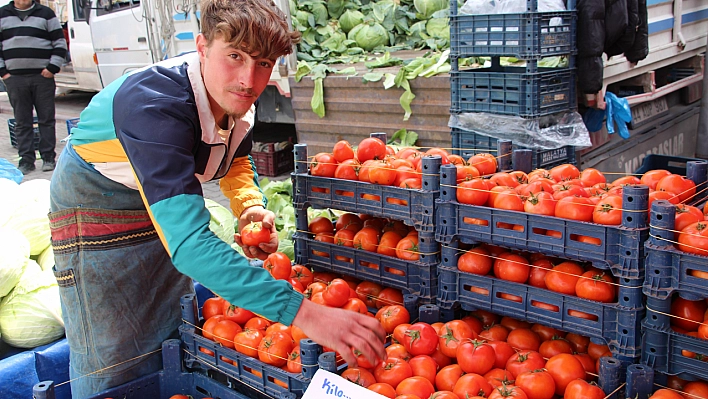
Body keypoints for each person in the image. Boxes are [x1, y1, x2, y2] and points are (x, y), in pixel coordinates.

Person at [48, 0, 385, 397]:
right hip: (96, 211)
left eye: (263, 63)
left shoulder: (234, 97)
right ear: (203, 47)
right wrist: (304, 313)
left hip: (160, 204)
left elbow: (235, 158)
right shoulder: (155, 105)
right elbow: (190, 245)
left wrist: (248, 207)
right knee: (113, 353)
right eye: (235, 56)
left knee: (169, 331)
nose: (248, 78)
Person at [0, 0, 66, 174]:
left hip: (42, 77)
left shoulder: (46, 13)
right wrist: (3, 73)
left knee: (46, 119)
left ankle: (48, 158)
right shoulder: (2, 14)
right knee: (22, 121)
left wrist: (52, 68)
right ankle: (26, 160)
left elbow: (59, 43)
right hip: (15, 79)